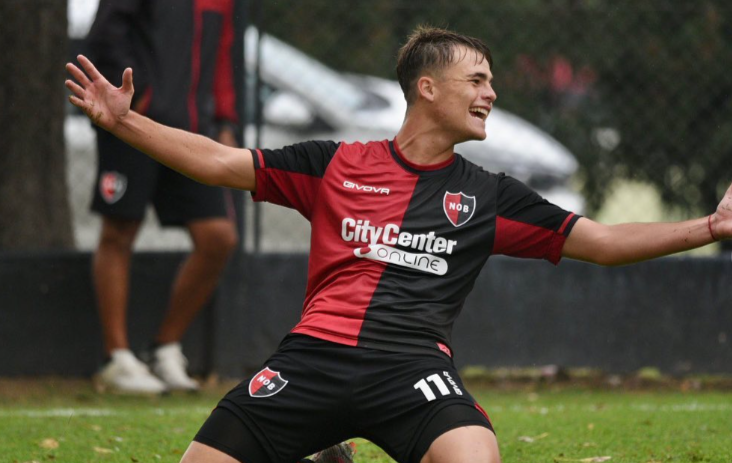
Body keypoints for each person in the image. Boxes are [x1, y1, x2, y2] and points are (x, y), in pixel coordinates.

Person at [65, 25, 731, 463]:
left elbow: (606, 241)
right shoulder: (333, 162)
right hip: (312, 360)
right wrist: (126, 123)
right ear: (427, 86)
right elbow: (216, 161)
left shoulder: (489, 194)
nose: (492, 93)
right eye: (478, 79)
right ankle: (324, 445)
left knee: (476, 456)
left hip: (411, 370)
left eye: (491, 81)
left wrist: (709, 226)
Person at [85, 0, 240, 394]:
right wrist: (141, 99)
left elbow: (221, 55)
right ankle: (115, 359)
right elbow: (105, 33)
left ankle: (164, 348)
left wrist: (223, 120)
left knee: (218, 238)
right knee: (119, 232)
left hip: (193, 134)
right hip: (133, 122)